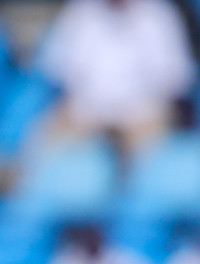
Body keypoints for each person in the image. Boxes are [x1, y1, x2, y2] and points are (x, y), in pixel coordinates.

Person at [39, 0, 196, 155]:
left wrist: (137, 102)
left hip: (141, 111)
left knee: (151, 153)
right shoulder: (80, 11)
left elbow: (178, 74)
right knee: (45, 143)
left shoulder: (158, 13)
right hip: (88, 108)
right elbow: (54, 65)